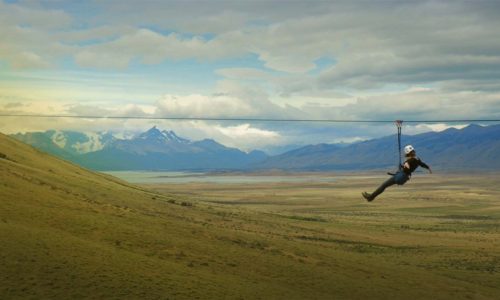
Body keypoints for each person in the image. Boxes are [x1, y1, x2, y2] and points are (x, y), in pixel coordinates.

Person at [362, 145, 432, 202]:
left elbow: (407, 167)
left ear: (408, 152)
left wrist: (404, 165)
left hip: (401, 176)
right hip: (403, 177)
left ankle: (370, 197)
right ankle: (370, 197)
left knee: (383, 185)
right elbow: (422, 164)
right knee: (384, 185)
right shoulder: (417, 159)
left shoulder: (410, 160)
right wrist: (428, 168)